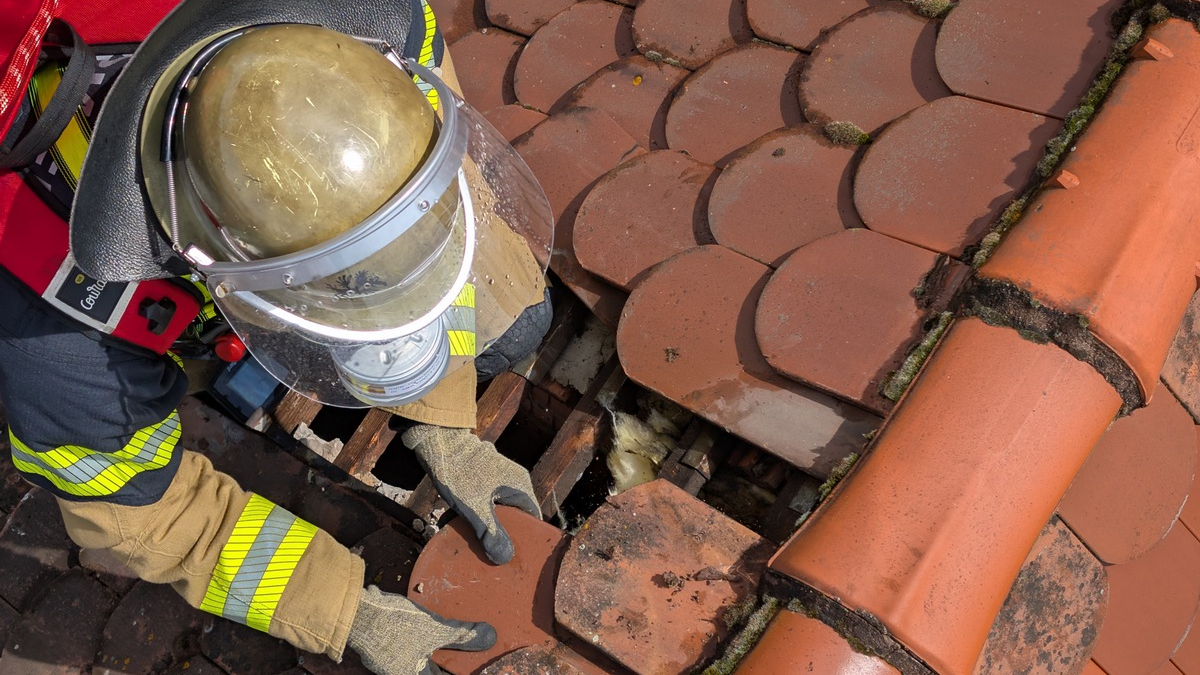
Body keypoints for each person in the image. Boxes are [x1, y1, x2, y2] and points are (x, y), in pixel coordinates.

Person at [0, 2, 555, 674]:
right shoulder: (57, 345)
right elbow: (142, 513)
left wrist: (442, 414)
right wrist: (346, 611)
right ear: (219, 266)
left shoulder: (371, 23)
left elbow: (433, 200)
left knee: (520, 318)